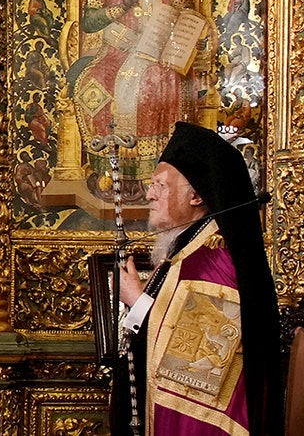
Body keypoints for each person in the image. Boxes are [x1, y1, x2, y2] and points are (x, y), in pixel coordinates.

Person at [111, 121, 282, 435]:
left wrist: (136, 299)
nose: (149, 194)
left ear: (196, 197)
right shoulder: (188, 249)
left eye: (161, 186)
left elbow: (196, 362)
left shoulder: (214, 259)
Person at [69, 0, 202, 201]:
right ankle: (110, 170)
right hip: (114, 53)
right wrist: (122, 7)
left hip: (157, 54)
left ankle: (157, 172)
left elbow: (187, 16)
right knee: (96, 81)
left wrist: (174, 31)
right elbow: (89, 22)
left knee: (159, 82)